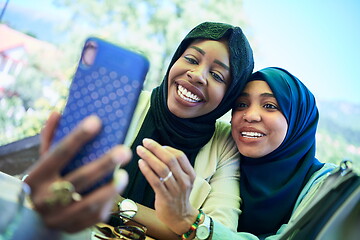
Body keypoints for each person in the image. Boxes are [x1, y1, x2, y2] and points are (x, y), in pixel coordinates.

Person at [24, 21, 254, 239]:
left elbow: (220, 234)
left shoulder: (224, 144)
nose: (197, 75)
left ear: (230, 95)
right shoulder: (123, 104)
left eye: (216, 75)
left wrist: (119, 206)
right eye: (192, 59)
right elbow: (62, 189)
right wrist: (177, 227)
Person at [139, 67, 337, 239]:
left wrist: (189, 220)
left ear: (298, 120)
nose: (249, 116)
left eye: (269, 106)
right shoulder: (223, 159)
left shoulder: (326, 186)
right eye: (241, 104)